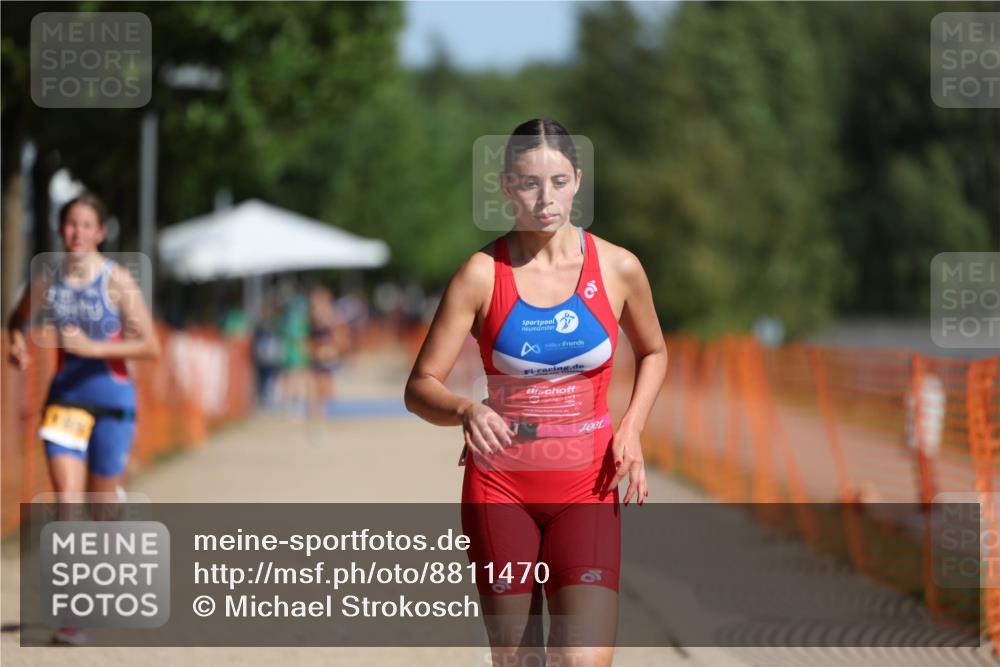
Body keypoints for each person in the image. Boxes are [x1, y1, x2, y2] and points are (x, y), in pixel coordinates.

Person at [404, 118, 668, 667]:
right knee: (520, 660)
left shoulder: (618, 268)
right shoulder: (479, 276)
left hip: (588, 484)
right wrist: (465, 409)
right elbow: (419, 386)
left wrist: (633, 427)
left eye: (558, 182)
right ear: (506, 187)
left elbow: (654, 352)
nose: (544, 199)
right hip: (500, 487)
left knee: (582, 659)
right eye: (528, 183)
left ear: (577, 179)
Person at [5, 192, 161, 645]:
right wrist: (17, 343)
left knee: (101, 504)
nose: (76, 232)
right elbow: (17, 319)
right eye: (70, 224)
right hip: (65, 401)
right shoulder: (47, 281)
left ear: (100, 232)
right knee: (67, 501)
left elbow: (150, 345)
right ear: (61, 230)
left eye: (85, 224)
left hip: (113, 401)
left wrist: (96, 348)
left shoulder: (116, 282)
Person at [306, 285, 349, 419]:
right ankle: (315, 409)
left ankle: (321, 407)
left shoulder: (333, 318)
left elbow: (341, 338)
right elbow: (308, 338)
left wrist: (332, 350)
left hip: (328, 357)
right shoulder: (312, 319)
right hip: (316, 356)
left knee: (324, 382)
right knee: (314, 382)